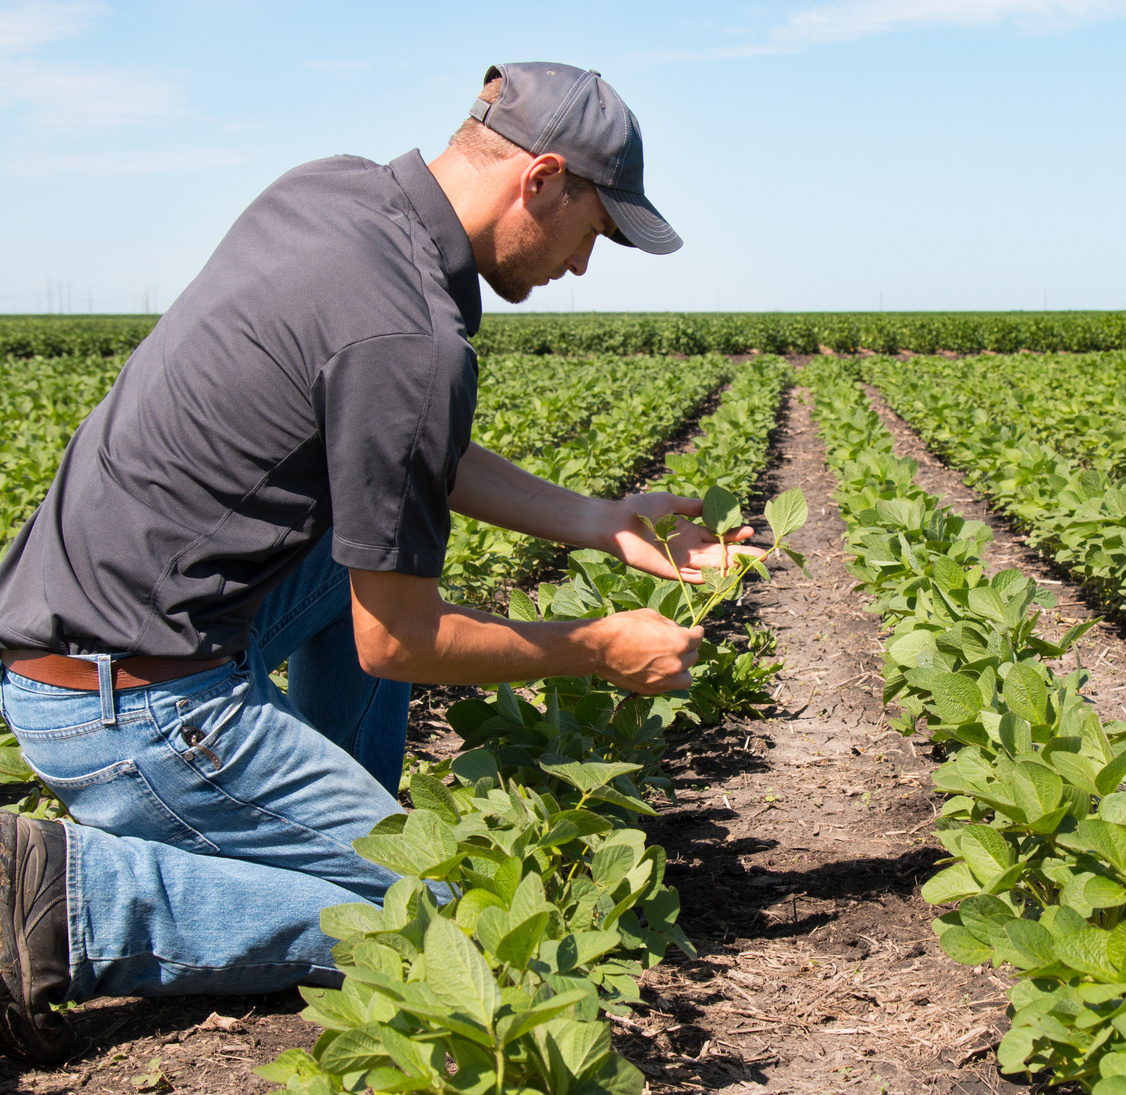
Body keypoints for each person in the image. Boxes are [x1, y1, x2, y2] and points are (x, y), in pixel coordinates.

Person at [0, 62, 747, 1065]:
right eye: (596, 230)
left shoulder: (338, 192)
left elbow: (396, 441)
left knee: (366, 548)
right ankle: (79, 897)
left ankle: (322, 814)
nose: (584, 264)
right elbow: (397, 641)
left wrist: (600, 520)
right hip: (132, 705)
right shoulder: (411, 334)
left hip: (87, 628)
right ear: (544, 179)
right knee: (442, 927)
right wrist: (599, 648)